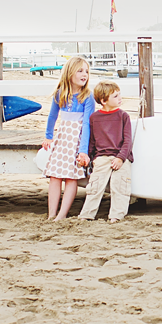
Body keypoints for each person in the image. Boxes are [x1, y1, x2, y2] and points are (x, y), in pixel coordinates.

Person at [42, 56, 94, 220]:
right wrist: (48, 136)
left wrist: (83, 151)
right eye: (80, 71)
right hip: (63, 138)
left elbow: (87, 124)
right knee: (55, 175)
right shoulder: (60, 94)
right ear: (70, 73)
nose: (84, 74)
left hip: (77, 139)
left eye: (86, 71)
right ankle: (52, 214)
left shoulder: (87, 97)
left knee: (71, 177)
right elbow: (52, 117)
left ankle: (62, 215)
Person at [79, 81, 133, 223]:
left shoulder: (123, 116)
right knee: (94, 187)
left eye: (119, 94)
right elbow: (92, 141)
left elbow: (128, 141)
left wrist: (121, 158)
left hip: (121, 157)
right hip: (101, 157)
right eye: (115, 96)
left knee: (120, 186)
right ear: (103, 101)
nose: (120, 98)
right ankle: (87, 214)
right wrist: (88, 157)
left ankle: (116, 215)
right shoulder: (94, 118)